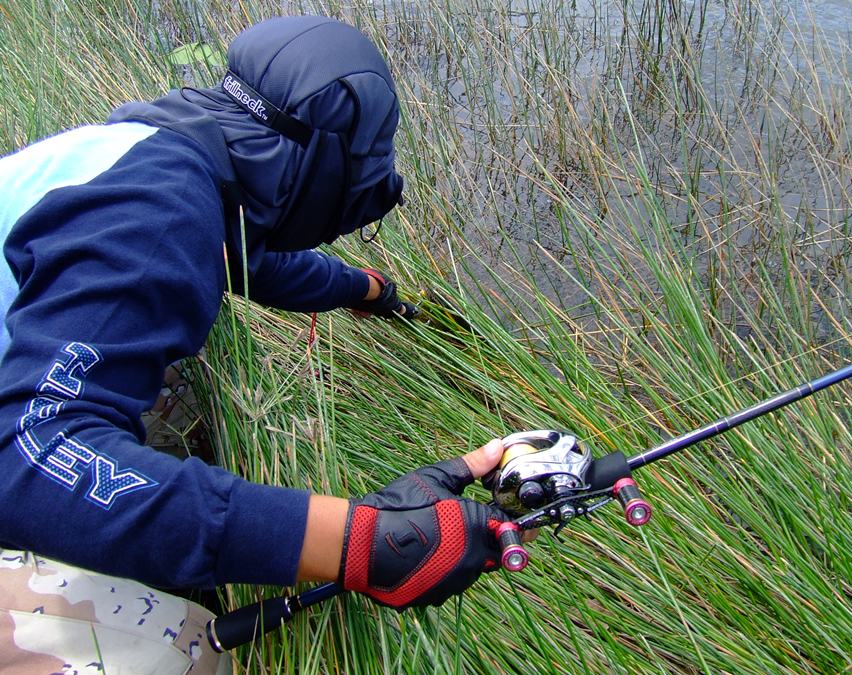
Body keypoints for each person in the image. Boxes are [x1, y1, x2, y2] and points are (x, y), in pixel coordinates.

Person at [0, 16, 512, 671]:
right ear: (327, 171)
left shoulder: (170, 149)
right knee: (179, 650)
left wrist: (366, 289)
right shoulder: (158, 212)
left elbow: (242, 257)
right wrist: (357, 542)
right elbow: (29, 456)